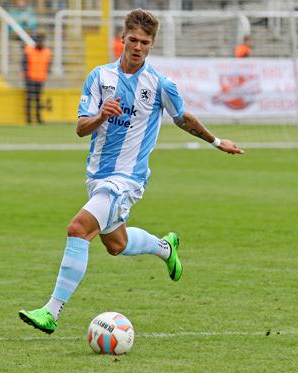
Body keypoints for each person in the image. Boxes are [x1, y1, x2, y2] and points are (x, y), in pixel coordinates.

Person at [18, 8, 243, 334]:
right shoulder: (99, 77)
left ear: (152, 45)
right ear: (122, 39)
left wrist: (217, 140)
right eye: (133, 40)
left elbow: (183, 119)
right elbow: (81, 128)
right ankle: (165, 247)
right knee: (116, 244)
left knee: (78, 229)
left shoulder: (160, 84)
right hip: (97, 176)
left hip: (127, 180)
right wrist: (101, 117)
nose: (138, 47)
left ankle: (51, 311)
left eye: (145, 42)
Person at [22, 33, 51, 124]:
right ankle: (29, 119)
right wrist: (25, 76)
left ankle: (38, 118)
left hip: (40, 79)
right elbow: (23, 64)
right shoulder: (28, 51)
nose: (40, 43)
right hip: (30, 78)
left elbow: (49, 65)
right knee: (29, 99)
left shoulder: (47, 52)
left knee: (38, 100)